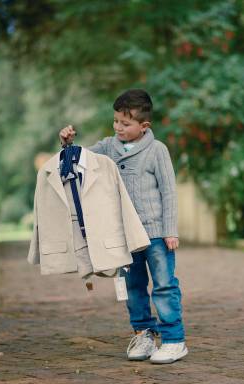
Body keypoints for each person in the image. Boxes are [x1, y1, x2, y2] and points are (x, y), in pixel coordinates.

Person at [59, 89, 187, 364]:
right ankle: (144, 335)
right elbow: (80, 161)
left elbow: (169, 192)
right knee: (133, 287)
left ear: (144, 126)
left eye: (125, 124)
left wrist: (170, 230)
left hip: (154, 234)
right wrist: (68, 145)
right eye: (116, 121)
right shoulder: (108, 147)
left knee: (164, 285)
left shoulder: (157, 151)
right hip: (125, 235)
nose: (118, 127)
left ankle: (174, 340)